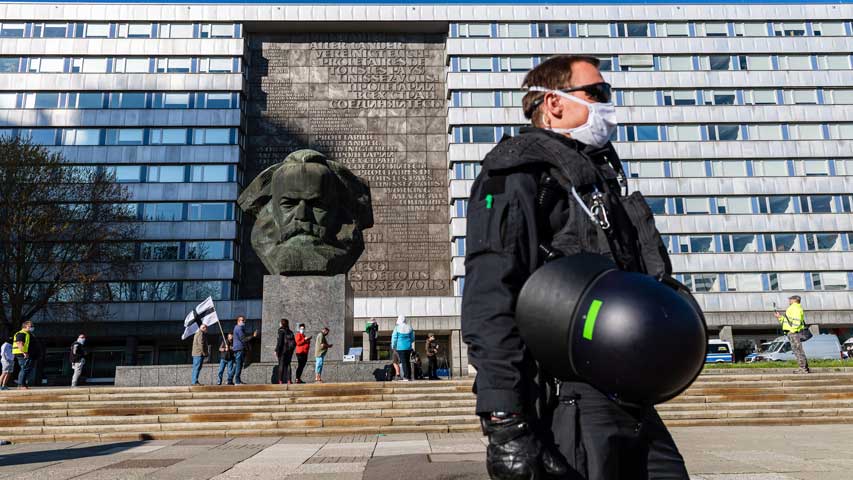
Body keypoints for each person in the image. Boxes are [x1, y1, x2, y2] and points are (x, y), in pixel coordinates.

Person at [462, 55, 689, 479]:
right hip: (572, 397)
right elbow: (489, 293)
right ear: (554, 103)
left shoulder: (597, 178)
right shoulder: (518, 173)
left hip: (630, 392)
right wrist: (504, 421)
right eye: (597, 93)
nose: (608, 104)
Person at [775, 295, 810, 374]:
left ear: (794, 300)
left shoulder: (795, 308)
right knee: (797, 350)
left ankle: (803, 368)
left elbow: (797, 320)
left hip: (793, 332)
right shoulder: (794, 308)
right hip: (792, 331)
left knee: (797, 350)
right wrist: (780, 317)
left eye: (790, 299)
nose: (789, 301)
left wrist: (792, 330)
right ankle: (804, 368)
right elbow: (788, 321)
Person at [229, 316, 256, 385]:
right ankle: (237, 381)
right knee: (239, 366)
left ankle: (229, 380)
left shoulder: (238, 328)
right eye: (242, 320)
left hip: (239, 349)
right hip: (239, 349)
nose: (244, 322)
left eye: (244, 321)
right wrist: (253, 336)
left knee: (237, 365)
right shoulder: (239, 328)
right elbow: (243, 339)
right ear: (238, 321)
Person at [12, 321, 36, 389]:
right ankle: (21, 385)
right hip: (21, 354)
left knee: (26, 368)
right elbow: (19, 343)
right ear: (25, 326)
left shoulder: (27, 334)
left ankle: (23, 384)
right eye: (30, 326)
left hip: (23, 353)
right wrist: (24, 353)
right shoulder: (21, 333)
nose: (32, 328)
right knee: (24, 368)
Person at [391, 315, 415, 382]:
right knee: (407, 361)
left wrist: (393, 346)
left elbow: (394, 338)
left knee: (404, 362)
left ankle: (406, 377)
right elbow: (413, 338)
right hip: (408, 347)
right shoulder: (409, 327)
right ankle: (409, 376)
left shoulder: (397, 328)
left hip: (400, 347)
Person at [275, 318, 296, 384]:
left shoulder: (281, 330)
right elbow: (294, 343)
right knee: (288, 365)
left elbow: (280, 342)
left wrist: (277, 350)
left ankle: (280, 380)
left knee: (281, 365)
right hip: (289, 351)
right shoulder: (290, 331)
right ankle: (289, 380)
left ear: (281, 323)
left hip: (282, 351)